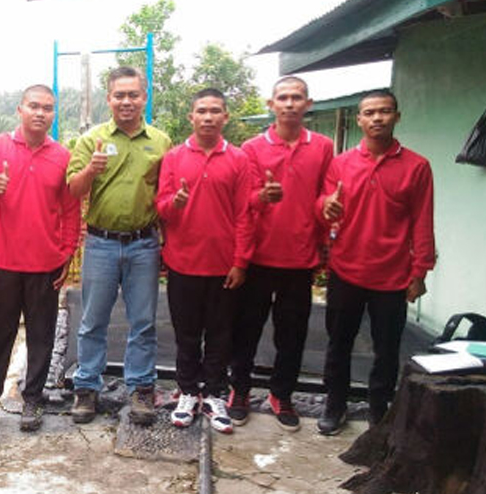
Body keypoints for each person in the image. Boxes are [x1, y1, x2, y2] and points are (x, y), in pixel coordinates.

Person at [316, 89, 435, 435]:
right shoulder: (341, 164)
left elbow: (422, 222)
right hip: (345, 269)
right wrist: (326, 207)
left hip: (393, 275)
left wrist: (420, 270)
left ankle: (379, 409)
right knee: (339, 343)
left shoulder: (417, 167)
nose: (377, 118)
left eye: (384, 112)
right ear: (359, 120)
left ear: (397, 116)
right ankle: (334, 404)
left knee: (387, 349)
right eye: (369, 113)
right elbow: (323, 207)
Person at [66, 66, 172, 426]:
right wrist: (90, 172)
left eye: (133, 94)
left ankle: (141, 389)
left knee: (143, 322)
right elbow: (73, 191)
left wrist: (166, 247)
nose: (126, 101)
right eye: (119, 95)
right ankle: (86, 388)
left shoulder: (160, 142)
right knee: (92, 320)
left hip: (144, 245)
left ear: (144, 96)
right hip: (101, 244)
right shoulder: (90, 140)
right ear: (108, 98)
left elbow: (166, 197)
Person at [229, 76, 334, 432]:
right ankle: (239, 390)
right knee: (246, 330)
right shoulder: (252, 148)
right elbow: (242, 201)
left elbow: (324, 196)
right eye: (283, 98)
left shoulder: (322, 147)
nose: (289, 103)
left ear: (308, 104)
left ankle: (281, 393)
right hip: (257, 257)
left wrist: (325, 221)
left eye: (297, 98)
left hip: (300, 257)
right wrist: (263, 197)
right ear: (271, 105)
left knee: (292, 334)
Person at [0, 85, 81, 433]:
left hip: (46, 264)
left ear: (53, 114)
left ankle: (32, 399)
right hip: (4, 263)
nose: (40, 113)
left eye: (47, 108)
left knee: (42, 336)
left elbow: (70, 209)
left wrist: (66, 251)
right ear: (19, 109)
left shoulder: (62, 156)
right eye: (33, 106)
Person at [156, 88, 253, 434]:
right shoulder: (174, 157)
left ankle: (213, 393)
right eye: (202, 111)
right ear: (191, 117)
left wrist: (241, 260)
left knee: (220, 335)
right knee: (186, 334)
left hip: (224, 266)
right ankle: (187, 391)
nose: (208, 117)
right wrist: (175, 203)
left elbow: (245, 214)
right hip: (183, 262)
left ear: (225, 117)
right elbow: (161, 207)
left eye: (215, 111)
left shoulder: (239, 159)